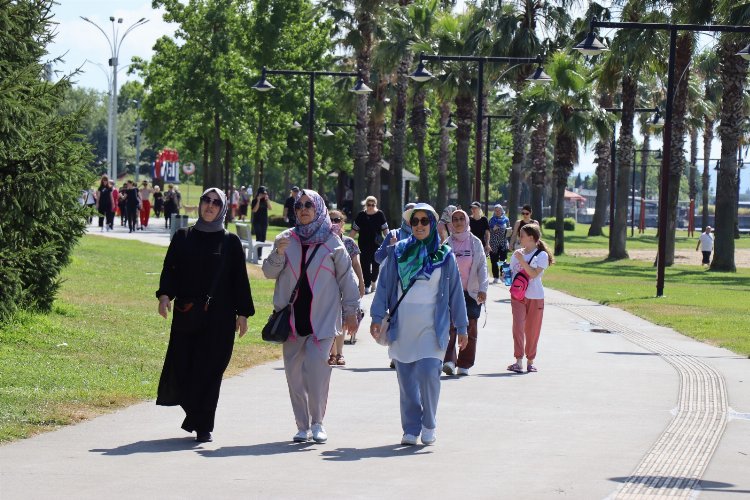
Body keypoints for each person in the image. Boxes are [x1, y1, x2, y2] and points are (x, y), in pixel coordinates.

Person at [156, 188, 254, 443]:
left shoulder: (230, 242)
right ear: (199, 204)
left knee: (211, 369)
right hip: (187, 315)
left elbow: (239, 281)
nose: (210, 206)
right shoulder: (182, 237)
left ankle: (203, 425)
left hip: (220, 318)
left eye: (215, 202)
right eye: (206, 201)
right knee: (186, 366)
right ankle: (195, 413)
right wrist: (164, 295)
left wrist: (243, 313)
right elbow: (170, 270)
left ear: (222, 208)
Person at [263, 189, 360, 444]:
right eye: (298, 205)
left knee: (317, 372)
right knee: (294, 375)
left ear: (318, 208)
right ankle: (302, 425)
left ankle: (317, 422)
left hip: (323, 321)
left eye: (308, 205)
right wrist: (277, 254)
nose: (303, 209)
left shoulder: (332, 241)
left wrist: (351, 313)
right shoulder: (286, 238)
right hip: (292, 321)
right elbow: (268, 273)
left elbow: (347, 280)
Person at [370, 203, 468, 446]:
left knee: (428, 374)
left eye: (425, 221)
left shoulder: (445, 256)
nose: (420, 226)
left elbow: (455, 293)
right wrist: (376, 316)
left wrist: (463, 326)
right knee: (406, 380)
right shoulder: (398, 252)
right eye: (415, 222)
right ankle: (411, 427)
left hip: (432, 327)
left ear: (433, 224)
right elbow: (384, 285)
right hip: (403, 326)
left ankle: (429, 424)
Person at [442, 209, 488, 376]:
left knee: (470, 329)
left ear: (467, 221)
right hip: (452, 293)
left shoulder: (475, 242)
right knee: (450, 327)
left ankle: (464, 364)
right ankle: (449, 361)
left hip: (471, 293)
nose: (459, 222)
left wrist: (483, 288)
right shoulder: (447, 244)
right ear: (451, 223)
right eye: (455, 219)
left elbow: (482, 267)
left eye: (462, 219)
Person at [507, 223, 553, 374]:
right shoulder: (517, 253)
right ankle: (518, 361)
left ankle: (530, 361)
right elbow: (513, 273)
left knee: (532, 330)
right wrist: (506, 275)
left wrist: (522, 261)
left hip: (535, 297)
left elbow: (534, 274)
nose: (519, 238)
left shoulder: (542, 255)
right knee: (518, 328)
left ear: (532, 238)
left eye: (522, 235)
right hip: (518, 296)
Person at [329, 209, 365, 365]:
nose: (334, 223)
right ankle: (332, 353)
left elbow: (356, 264)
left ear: (343, 222)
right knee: (330, 320)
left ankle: (340, 353)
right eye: (330, 219)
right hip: (328, 287)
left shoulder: (349, 242)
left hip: (345, 286)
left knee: (342, 321)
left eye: (337, 220)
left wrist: (362, 283)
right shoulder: (324, 241)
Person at [349, 195, 388, 294]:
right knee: (365, 265)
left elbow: (385, 230)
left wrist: (390, 240)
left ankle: (373, 281)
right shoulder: (361, 215)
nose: (370, 206)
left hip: (376, 245)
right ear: (365, 204)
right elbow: (354, 231)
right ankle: (367, 285)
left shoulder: (380, 214)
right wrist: (348, 241)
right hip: (363, 245)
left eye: (372, 204)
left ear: (375, 204)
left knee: (376, 265)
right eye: (368, 204)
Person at [488, 204, 510, 284]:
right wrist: (492, 229)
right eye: (496, 210)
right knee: (494, 261)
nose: (497, 212)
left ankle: (502, 275)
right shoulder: (491, 220)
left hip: (503, 242)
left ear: (502, 211)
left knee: (503, 260)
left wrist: (508, 232)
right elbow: (487, 231)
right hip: (493, 243)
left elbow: (509, 231)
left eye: (499, 210)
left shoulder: (506, 220)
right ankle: (496, 277)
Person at [251, 186, 272, 260]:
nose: (264, 195)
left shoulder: (266, 201)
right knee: (258, 237)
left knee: (263, 238)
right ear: (259, 193)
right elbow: (254, 210)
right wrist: (258, 201)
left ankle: (259, 254)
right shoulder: (254, 201)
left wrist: (267, 200)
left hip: (264, 222)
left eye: (265, 193)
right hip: (257, 222)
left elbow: (270, 208)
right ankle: (258, 254)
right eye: (262, 193)